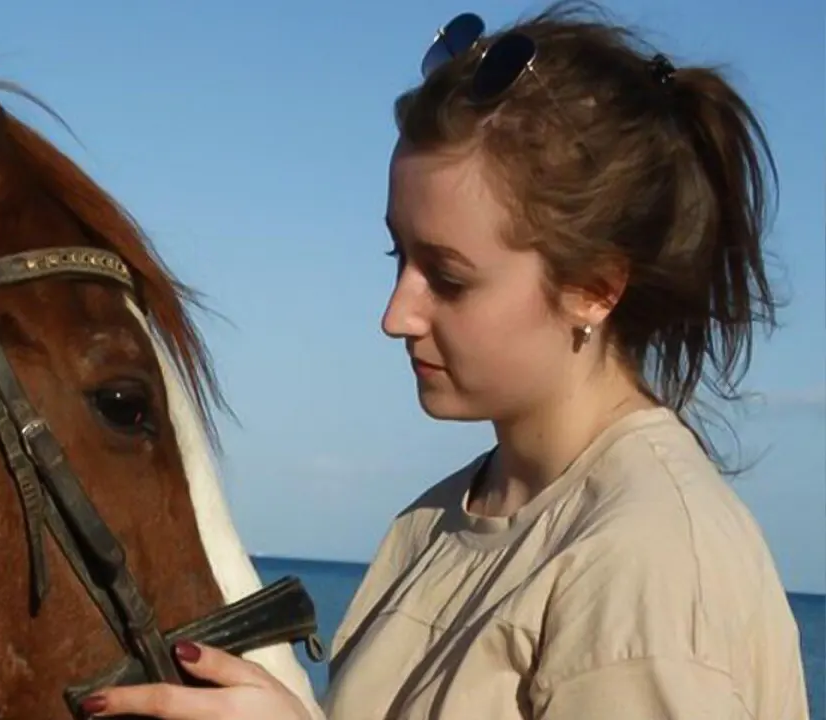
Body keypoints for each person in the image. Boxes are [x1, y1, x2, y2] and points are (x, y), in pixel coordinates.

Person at [78, 2, 811, 718]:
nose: (395, 315)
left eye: (450, 278)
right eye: (399, 255)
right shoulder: (435, 522)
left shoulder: (648, 565)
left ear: (594, 288)